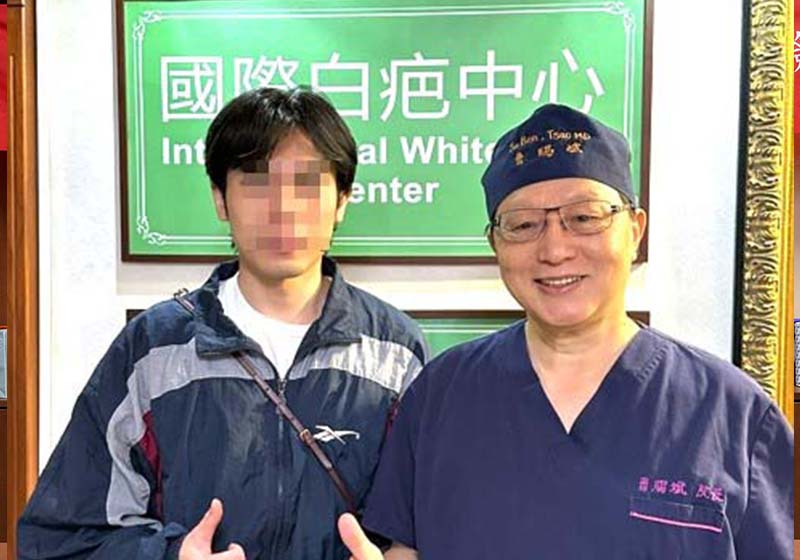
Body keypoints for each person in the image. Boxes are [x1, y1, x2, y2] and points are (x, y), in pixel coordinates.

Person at [337, 104, 794, 559]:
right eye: (523, 225)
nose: (555, 250)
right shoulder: (440, 396)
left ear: (635, 230)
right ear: (495, 243)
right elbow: (406, 548)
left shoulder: (732, 414)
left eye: (585, 217)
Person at [18, 87, 427, 560]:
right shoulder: (153, 351)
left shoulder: (394, 353)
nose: (283, 209)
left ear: (342, 201)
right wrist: (170, 556)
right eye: (257, 182)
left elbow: (432, 524)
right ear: (220, 199)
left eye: (307, 183)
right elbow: (62, 537)